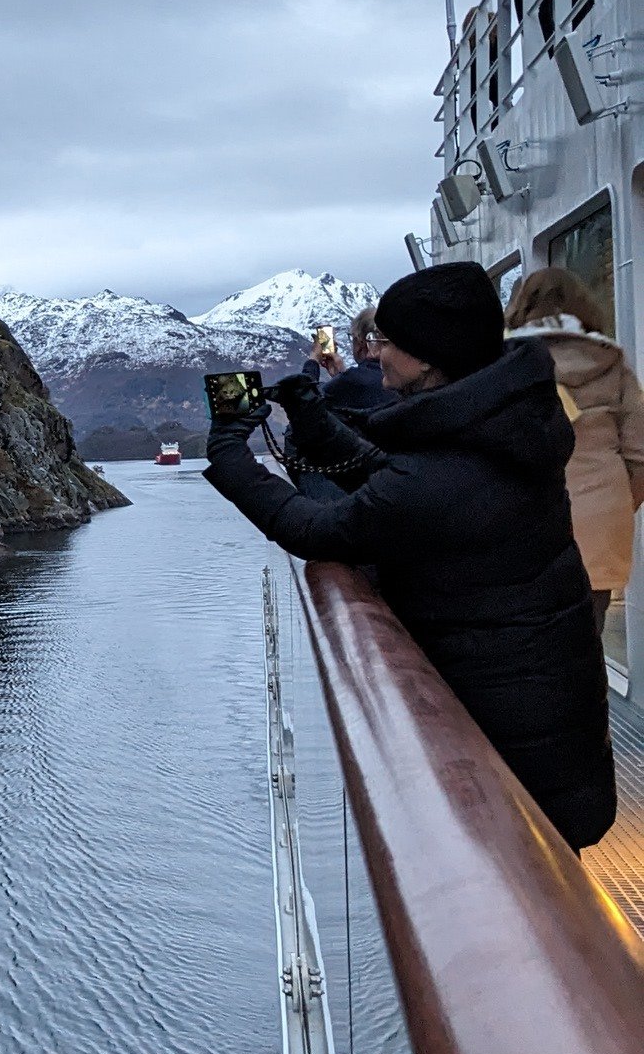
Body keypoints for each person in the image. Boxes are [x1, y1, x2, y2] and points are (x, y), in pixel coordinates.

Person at [204, 261, 615, 849]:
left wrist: (229, 454)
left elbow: (317, 528)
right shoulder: (499, 423)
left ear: (426, 357)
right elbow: (393, 477)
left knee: (531, 893)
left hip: (514, 743)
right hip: (544, 711)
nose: (376, 354)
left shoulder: (449, 472)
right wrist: (313, 422)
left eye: (388, 342)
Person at [503, 266, 644, 637]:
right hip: (601, 517)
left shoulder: (503, 364)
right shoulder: (613, 361)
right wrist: (613, 506)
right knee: (587, 637)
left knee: (528, 638)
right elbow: (640, 454)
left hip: (523, 518)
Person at [307, 306, 384, 418]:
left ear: (360, 342)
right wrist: (340, 375)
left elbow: (304, 401)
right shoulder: (400, 375)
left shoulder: (354, 380)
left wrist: (313, 359)